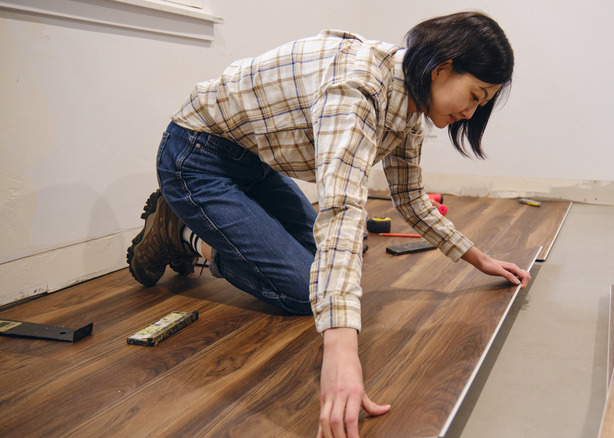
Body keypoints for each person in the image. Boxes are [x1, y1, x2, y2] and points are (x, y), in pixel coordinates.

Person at [126, 10, 530, 437]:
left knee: (334, 266)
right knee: (305, 290)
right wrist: (341, 354)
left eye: (480, 104)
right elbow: (341, 211)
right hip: (196, 157)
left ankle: (203, 222)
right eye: (474, 95)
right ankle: (181, 234)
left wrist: (478, 259)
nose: (469, 112)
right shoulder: (357, 90)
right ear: (443, 68)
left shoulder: (409, 97)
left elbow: (410, 199)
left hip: (256, 164)